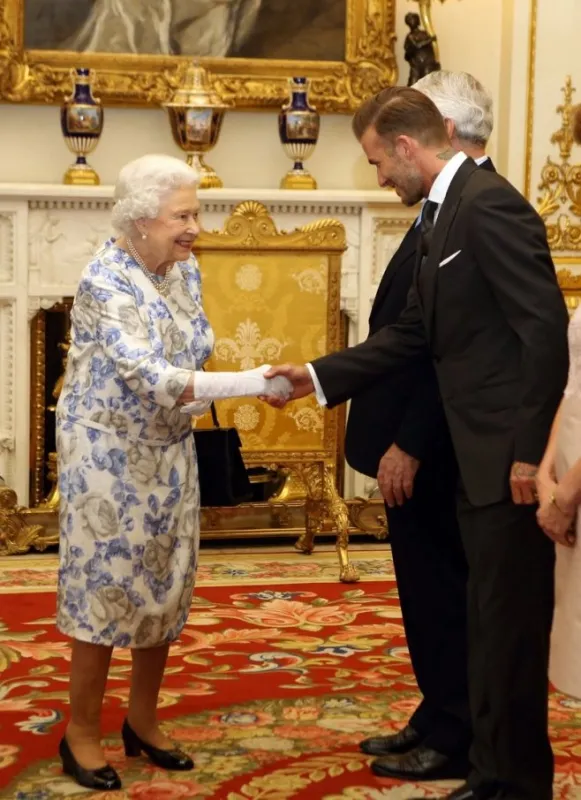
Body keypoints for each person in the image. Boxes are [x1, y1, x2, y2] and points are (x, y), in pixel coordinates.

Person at [265, 87, 569, 800]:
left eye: (377, 162)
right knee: (485, 624)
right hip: (475, 456)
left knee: (506, 630)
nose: (377, 178)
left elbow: (544, 334)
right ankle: (491, 770)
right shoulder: (442, 213)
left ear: (407, 146)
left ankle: (513, 781)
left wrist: (529, 452)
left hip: (505, 459)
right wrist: (312, 376)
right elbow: (413, 334)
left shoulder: (488, 205)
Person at [55, 153, 289, 792]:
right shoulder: (106, 280)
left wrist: (202, 394)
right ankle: (80, 733)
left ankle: (143, 720)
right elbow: (147, 374)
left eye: (196, 212)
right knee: (104, 586)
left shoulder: (182, 272)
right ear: (138, 221)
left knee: (164, 580)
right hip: (105, 453)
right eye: (182, 215)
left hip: (168, 447)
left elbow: (191, 352)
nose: (195, 228)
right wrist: (256, 382)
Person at [348, 71, 494, 782]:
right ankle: (437, 713)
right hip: (417, 440)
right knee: (424, 589)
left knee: (444, 591)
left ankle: (457, 731)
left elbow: (452, 350)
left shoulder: (480, 208)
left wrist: (409, 440)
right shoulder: (444, 205)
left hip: (436, 445)